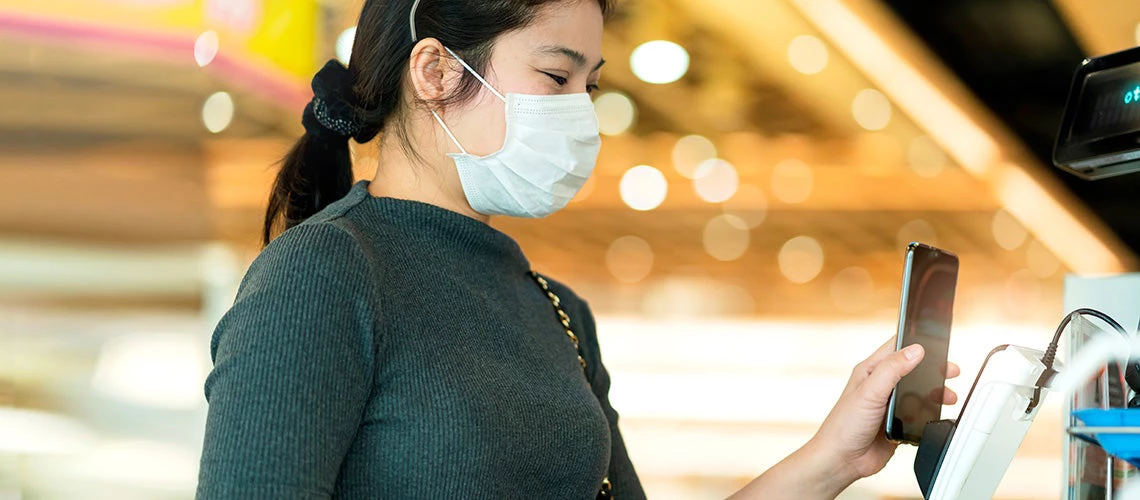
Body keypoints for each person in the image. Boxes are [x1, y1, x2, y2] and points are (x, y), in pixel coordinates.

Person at [195, 0, 960, 498]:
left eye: (587, 88)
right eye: (555, 76)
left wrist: (835, 455)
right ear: (433, 71)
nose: (578, 116)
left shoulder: (556, 310)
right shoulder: (325, 277)